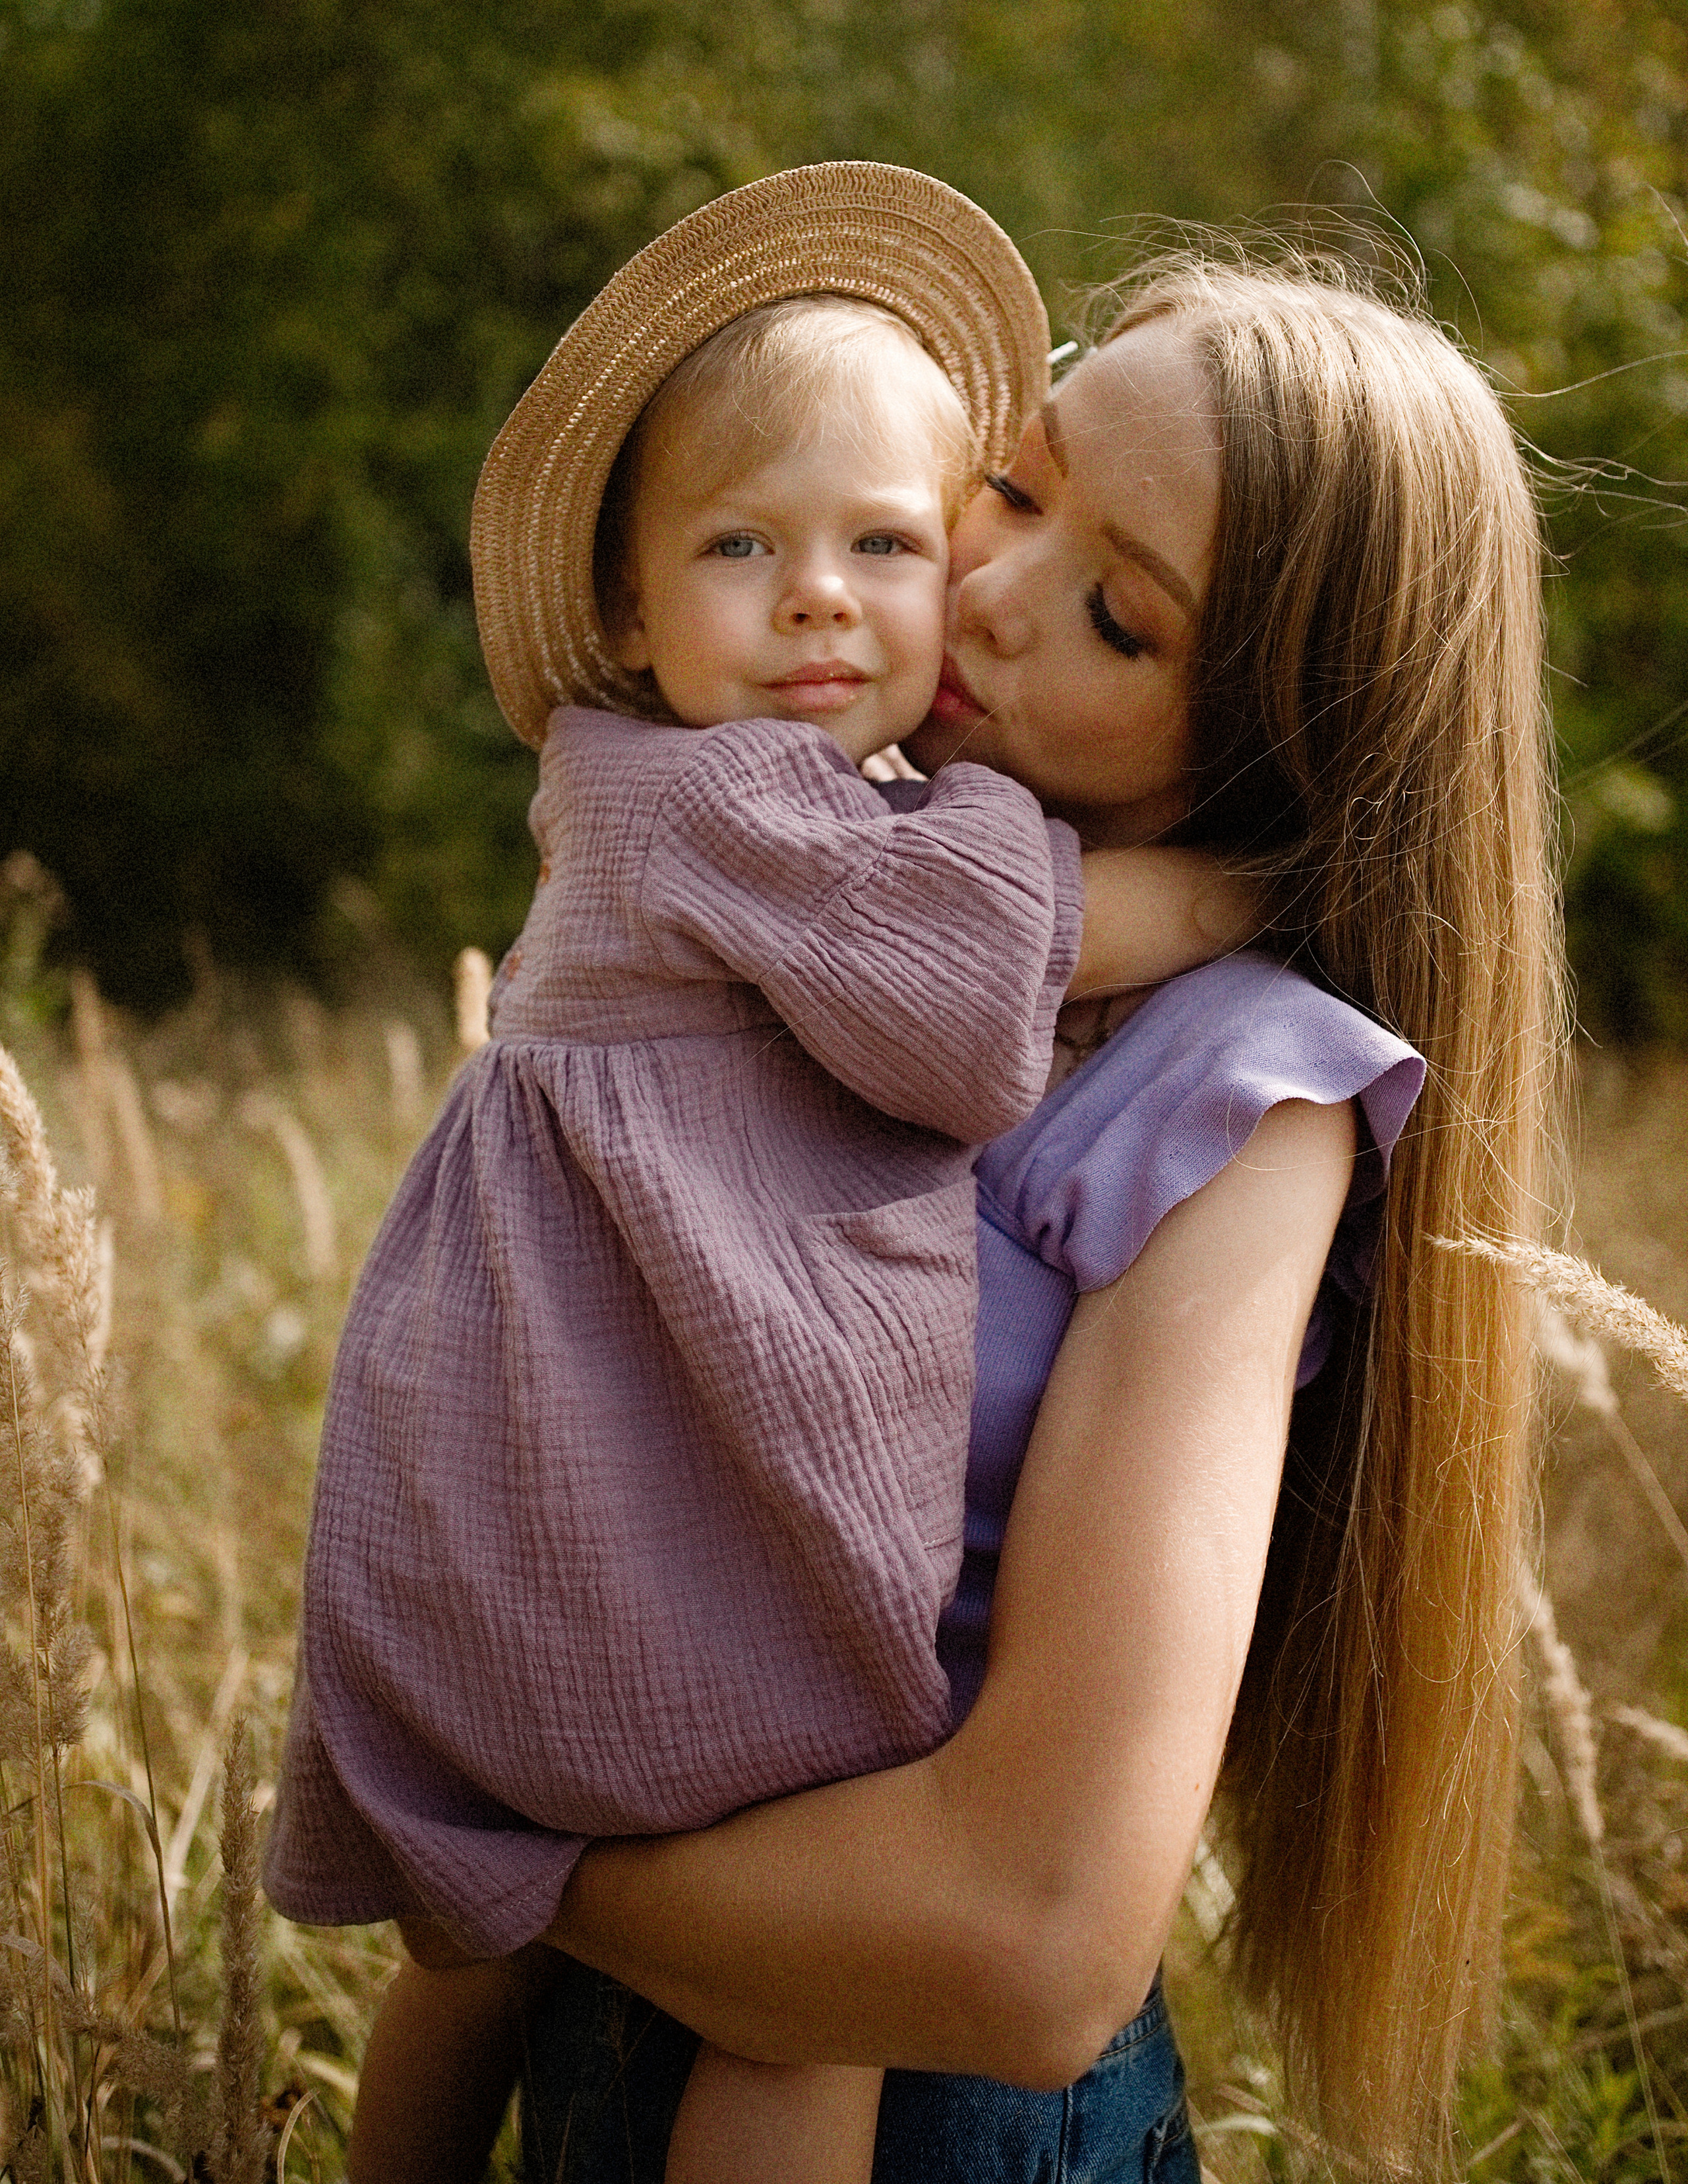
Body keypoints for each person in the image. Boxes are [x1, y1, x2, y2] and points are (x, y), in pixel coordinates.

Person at [485, 244, 1563, 2183]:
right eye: (1016, 481)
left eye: (1118, 618)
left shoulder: (1238, 1102)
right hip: (597, 2060)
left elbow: (1035, 1943)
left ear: (1268, 742)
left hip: (928, 2112)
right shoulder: (827, 873)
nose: (983, 590)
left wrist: (487, 1837)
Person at [262, 166, 1250, 2184]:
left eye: (887, 541)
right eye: (742, 544)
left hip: (577, 1484)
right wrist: (1261, 889)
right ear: (630, 617)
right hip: (638, 1521)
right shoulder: (699, 793)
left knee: (478, 1954)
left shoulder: (768, 793)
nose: (820, 595)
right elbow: (992, 976)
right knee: (799, 2021)